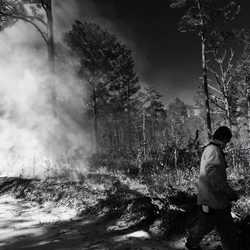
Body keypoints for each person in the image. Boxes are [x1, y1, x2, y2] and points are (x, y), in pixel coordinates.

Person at [185, 126, 239, 250]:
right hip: (215, 201)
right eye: (227, 142)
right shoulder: (214, 151)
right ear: (223, 138)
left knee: (210, 226)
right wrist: (230, 193)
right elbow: (215, 179)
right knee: (225, 230)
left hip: (211, 200)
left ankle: (192, 242)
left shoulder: (210, 149)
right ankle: (192, 242)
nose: (226, 145)